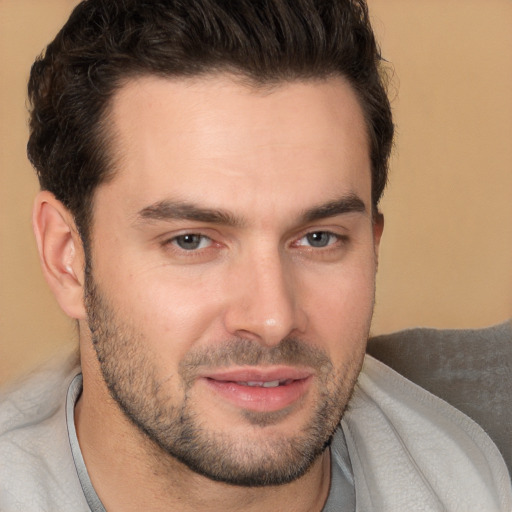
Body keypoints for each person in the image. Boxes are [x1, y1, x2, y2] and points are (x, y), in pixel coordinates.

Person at [0, 0, 510, 510]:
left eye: (319, 238)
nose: (273, 319)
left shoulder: (478, 470)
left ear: (372, 247)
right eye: (191, 241)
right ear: (68, 258)